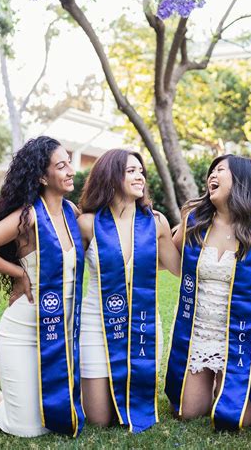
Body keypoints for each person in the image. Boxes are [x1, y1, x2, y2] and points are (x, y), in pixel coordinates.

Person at [0, 136, 85, 438]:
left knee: (53, 422)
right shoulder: (28, 216)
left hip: (59, 334)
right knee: (27, 428)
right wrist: (18, 273)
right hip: (22, 331)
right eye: (61, 165)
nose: (71, 171)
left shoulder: (73, 213)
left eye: (70, 163)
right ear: (43, 177)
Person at [77, 148, 180, 433]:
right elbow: (63, 268)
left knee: (129, 410)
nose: (140, 176)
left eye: (141, 171)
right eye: (131, 171)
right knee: (99, 419)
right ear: (111, 176)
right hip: (96, 323)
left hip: (142, 325)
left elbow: (177, 268)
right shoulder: (88, 224)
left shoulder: (155, 222)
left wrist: (193, 222)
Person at [165, 154, 251, 431]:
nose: (212, 175)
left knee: (238, 418)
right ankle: (210, 380)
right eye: (211, 170)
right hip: (199, 331)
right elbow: (168, 258)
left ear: (242, 180)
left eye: (220, 170)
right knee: (187, 412)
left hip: (239, 336)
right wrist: (158, 227)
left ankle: (224, 381)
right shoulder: (195, 221)